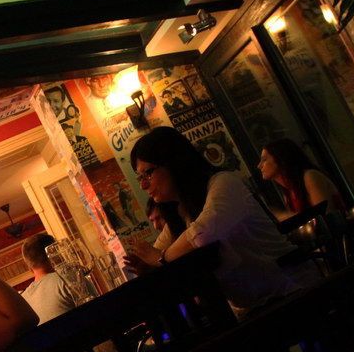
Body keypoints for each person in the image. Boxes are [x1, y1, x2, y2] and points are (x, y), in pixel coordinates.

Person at [124, 127, 320, 312]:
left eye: (147, 173)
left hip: (294, 291)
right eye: (140, 177)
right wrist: (148, 266)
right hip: (255, 308)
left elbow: (202, 234)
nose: (143, 185)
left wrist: (160, 259)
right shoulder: (181, 212)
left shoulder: (224, 183)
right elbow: (154, 252)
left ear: (173, 163)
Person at [256, 140, 346, 218]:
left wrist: (281, 216)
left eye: (264, 160)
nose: (259, 166)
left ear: (280, 158)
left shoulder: (309, 176)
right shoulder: (288, 192)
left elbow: (325, 216)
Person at [19, 234, 76, 324]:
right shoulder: (66, 278)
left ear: (28, 262)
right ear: (53, 252)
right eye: (58, 249)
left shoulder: (22, 301)